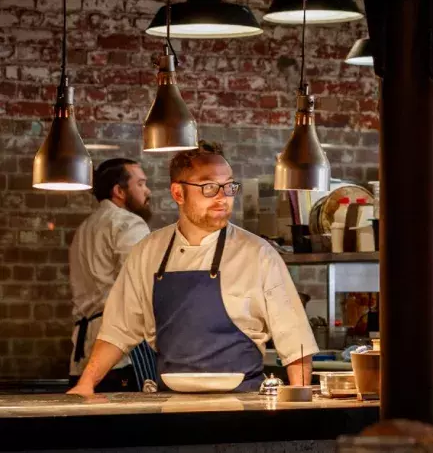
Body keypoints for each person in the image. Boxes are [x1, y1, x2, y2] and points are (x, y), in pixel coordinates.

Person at [68, 141, 317, 395]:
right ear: (178, 193)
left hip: (245, 408)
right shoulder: (148, 252)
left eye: (229, 186)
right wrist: (86, 384)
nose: (223, 197)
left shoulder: (259, 254)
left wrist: (301, 400)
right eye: (209, 187)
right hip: (169, 408)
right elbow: (117, 329)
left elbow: (295, 340)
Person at [69, 158, 153, 391]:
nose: (148, 191)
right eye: (141, 184)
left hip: (83, 349)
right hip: (119, 350)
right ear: (119, 191)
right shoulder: (129, 224)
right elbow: (140, 288)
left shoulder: (85, 228)